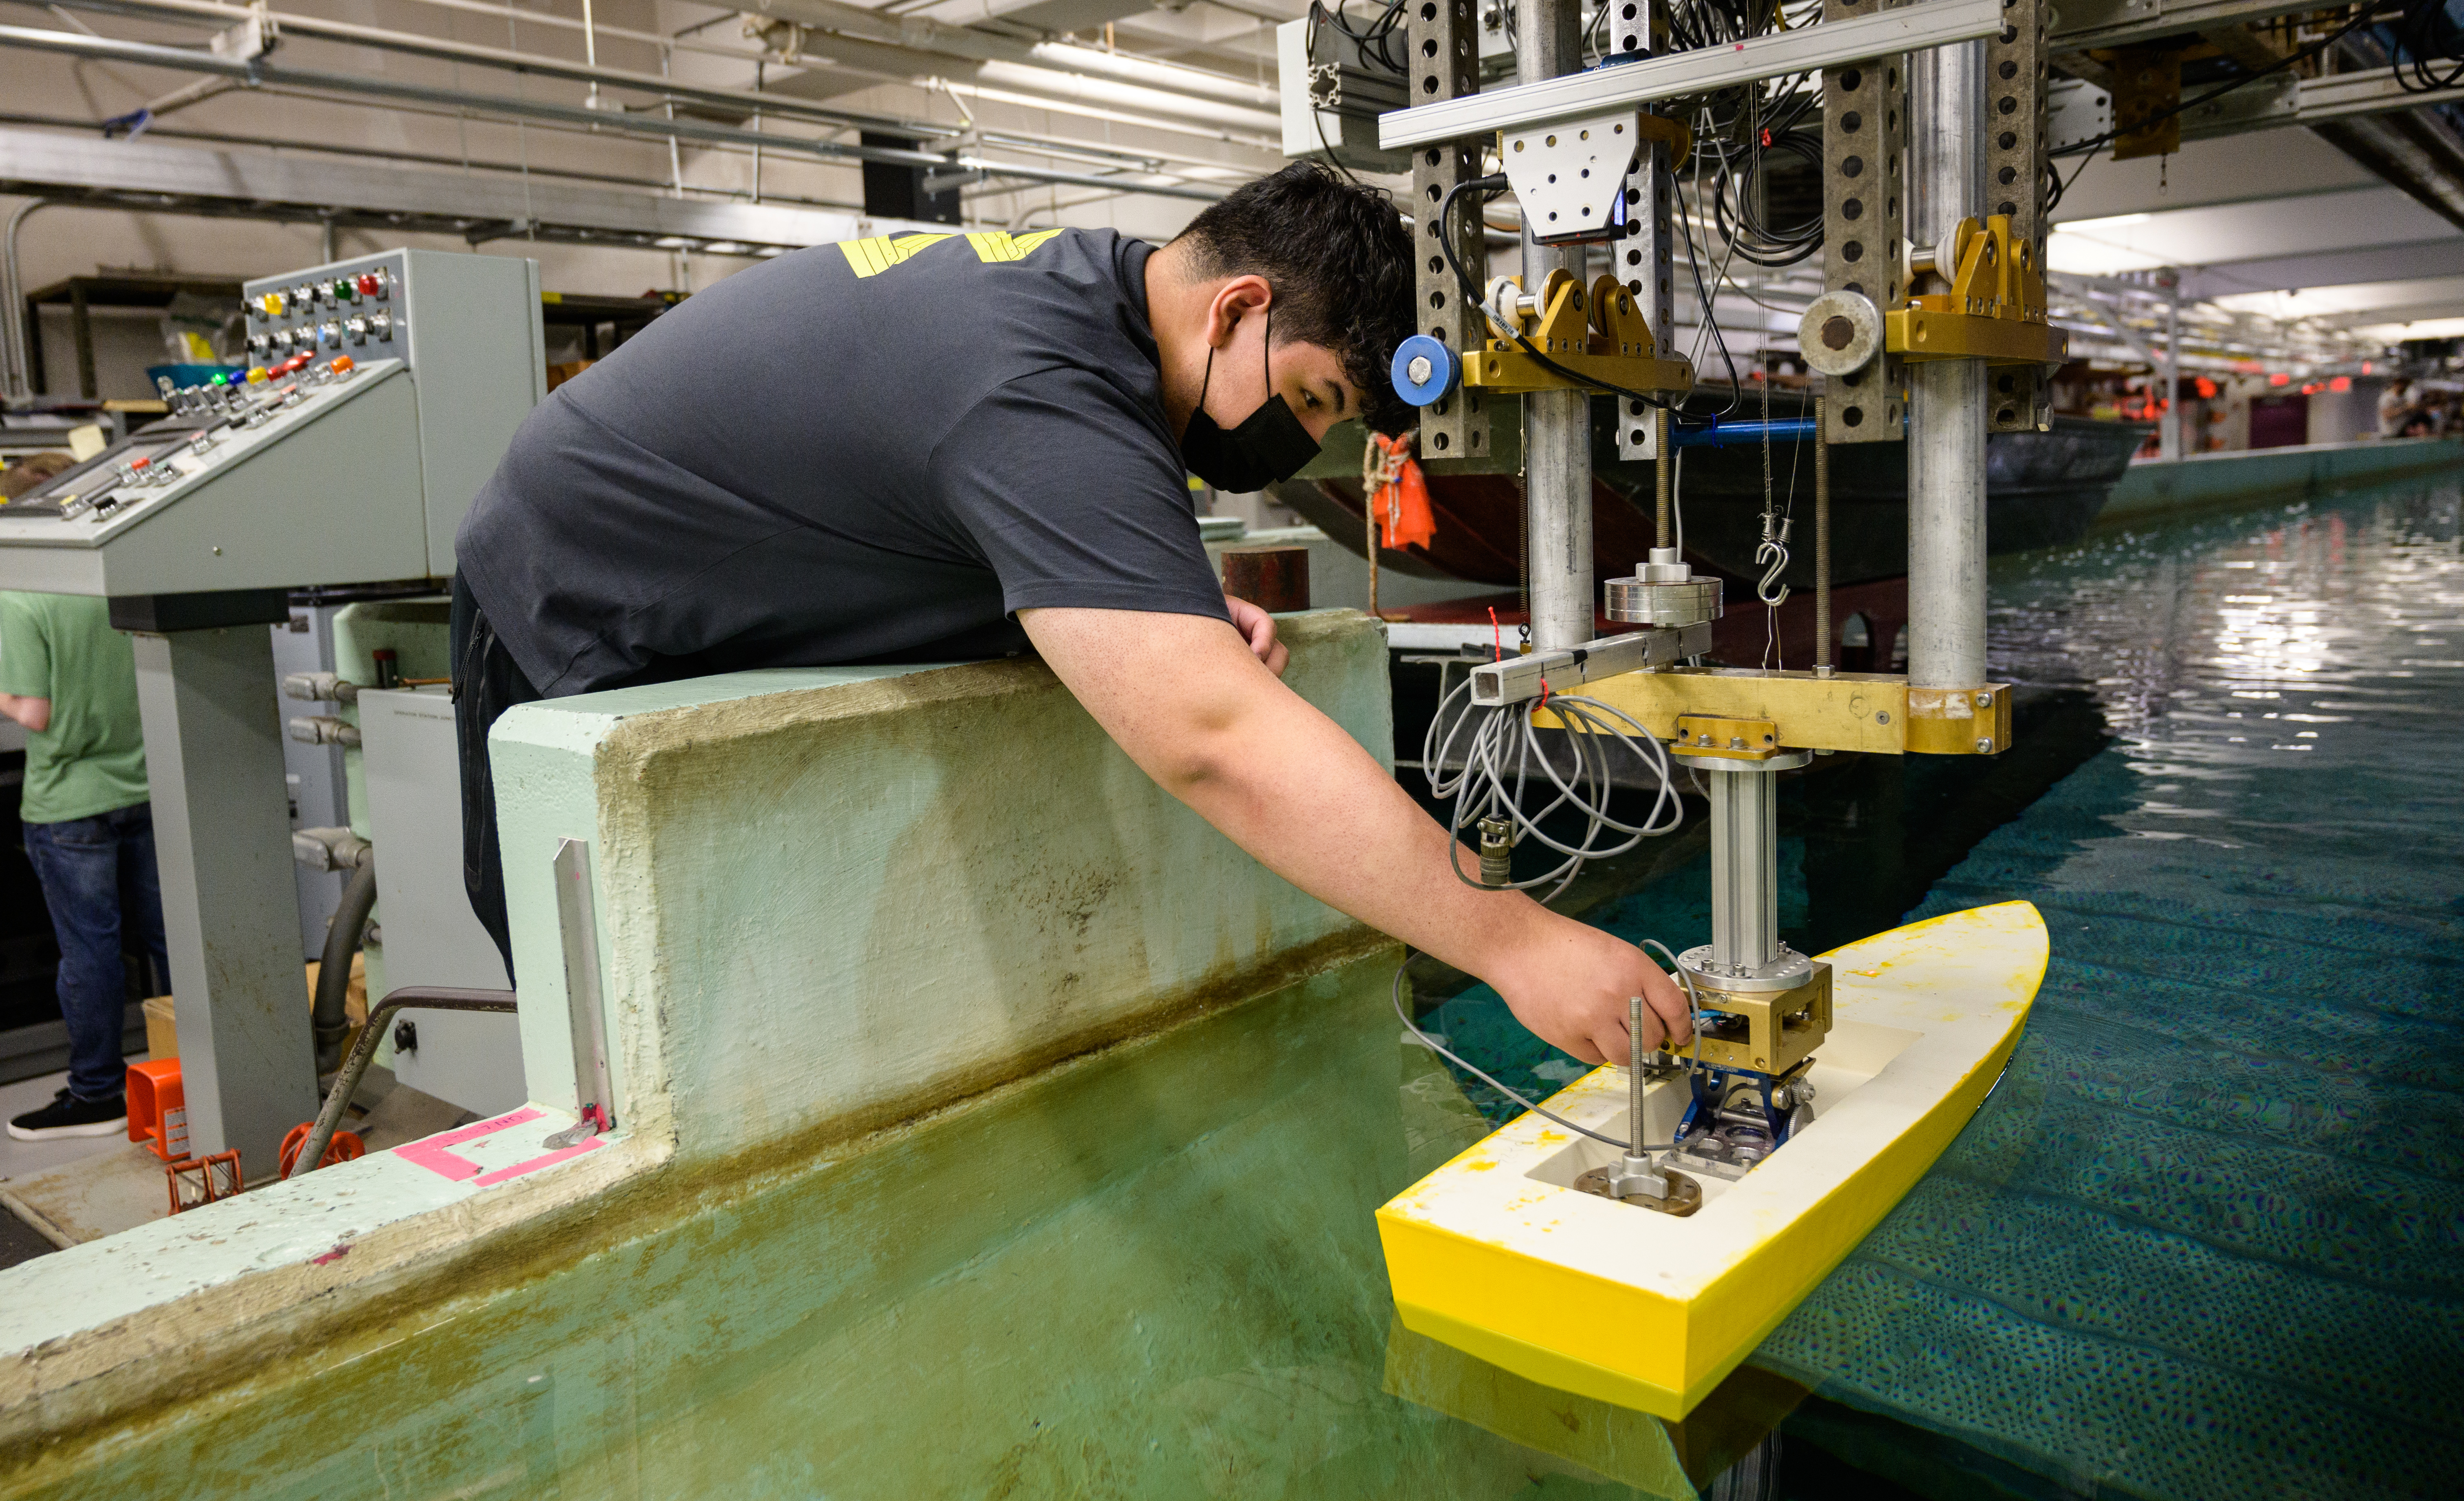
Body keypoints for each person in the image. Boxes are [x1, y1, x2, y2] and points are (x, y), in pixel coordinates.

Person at [452, 162, 1691, 1067]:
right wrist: (1513, 940)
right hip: (572, 611)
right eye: (1315, 401)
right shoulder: (1035, 380)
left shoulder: (1093, 305)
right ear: (1240, 308)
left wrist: (1162, 602)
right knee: (623, 1050)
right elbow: (1211, 739)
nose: (1308, 440)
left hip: (692, 571)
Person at [1, 456, 170, 1142]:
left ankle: (97, 1092)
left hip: (70, 804)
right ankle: (187, 1072)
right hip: (149, 786)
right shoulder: (121, 577)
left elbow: (34, 713)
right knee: (171, 941)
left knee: (91, 954)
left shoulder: (23, 593)